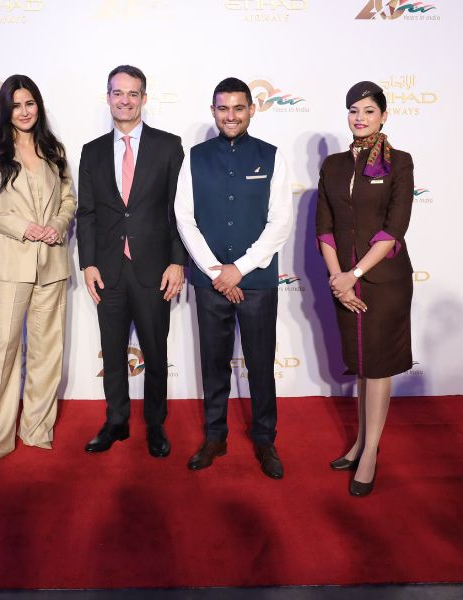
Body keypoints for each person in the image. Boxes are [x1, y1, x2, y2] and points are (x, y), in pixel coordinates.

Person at [175, 77, 293, 479]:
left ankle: (265, 439)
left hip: (256, 282)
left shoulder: (272, 156)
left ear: (251, 110)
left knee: (261, 364)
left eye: (238, 108)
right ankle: (214, 437)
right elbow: (184, 218)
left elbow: (280, 222)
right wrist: (215, 271)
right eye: (223, 108)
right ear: (213, 111)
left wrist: (238, 269)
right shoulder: (195, 157)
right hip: (210, 283)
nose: (231, 116)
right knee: (213, 364)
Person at [0, 75, 76, 473]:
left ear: (38, 106)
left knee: (47, 351)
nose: (24, 111)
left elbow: (68, 199)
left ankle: (36, 428)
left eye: (30, 103)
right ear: (5, 110)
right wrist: (22, 227)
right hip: (11, 262)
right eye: (16, 105)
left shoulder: (54, 149)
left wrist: (58, 226)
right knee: (5, 350)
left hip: (52, 261)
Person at [76, 65, 186, 458]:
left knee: (155, 352)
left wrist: (177, 262)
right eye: (117, 93)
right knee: (112, 350)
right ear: (108, 97)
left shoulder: (168, 146)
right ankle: (116, 420)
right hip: (108, 269)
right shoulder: (91, 151)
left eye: (132, 93)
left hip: (154, 269)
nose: (125, 100)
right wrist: (88, 263)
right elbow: (87, 213)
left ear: (144, 98)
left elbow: (179, 210)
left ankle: (156, 424)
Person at [316, 81, 414, 497]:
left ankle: (371, 450)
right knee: (361, 367)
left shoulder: (400, 163)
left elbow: (394, 229)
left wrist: (353, 274)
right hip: (344, 282)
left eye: (369, 110)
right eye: (354, 110)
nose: (360, 117)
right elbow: (324, 228)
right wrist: (338, 279)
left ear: (384, 116)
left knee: (378, 368)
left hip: (383, 282)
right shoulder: (333, 165)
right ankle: (360, 442)